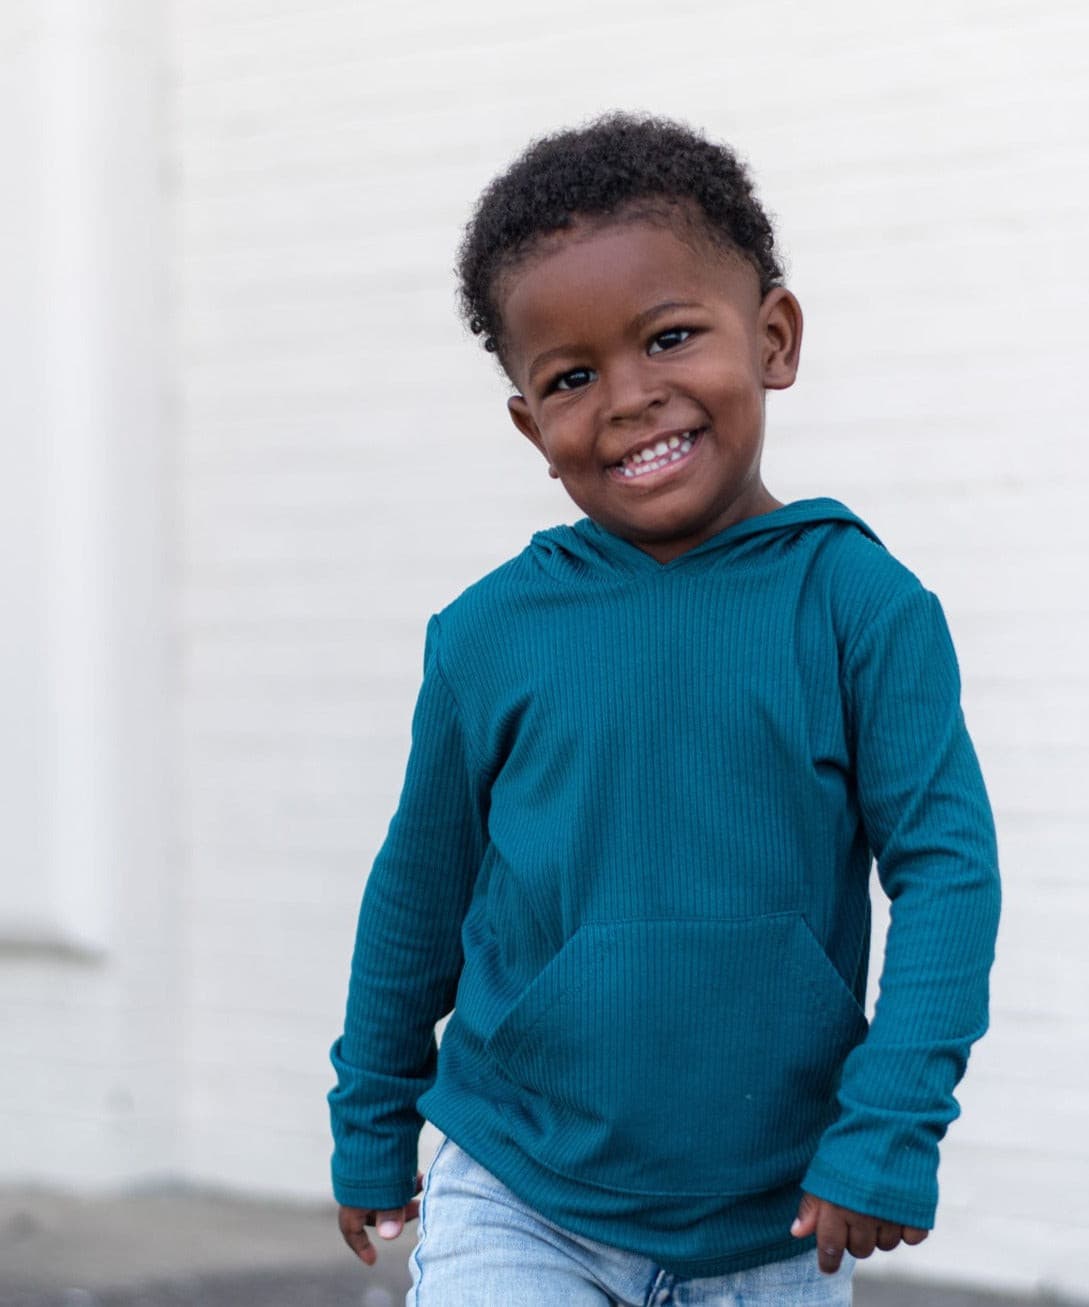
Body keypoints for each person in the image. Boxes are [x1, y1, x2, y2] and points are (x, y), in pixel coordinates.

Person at [328, 113, 1001, 1307]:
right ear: (532, 427)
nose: (630, 397)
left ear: (773, 339)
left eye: (670, 336)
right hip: (520, 1183)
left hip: (775, 1213)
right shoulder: (489, 634)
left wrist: (890, 1119)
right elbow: (416, 893)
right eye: (572, 377)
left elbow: (947, 873)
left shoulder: (859, 606)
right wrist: (372, 1111)